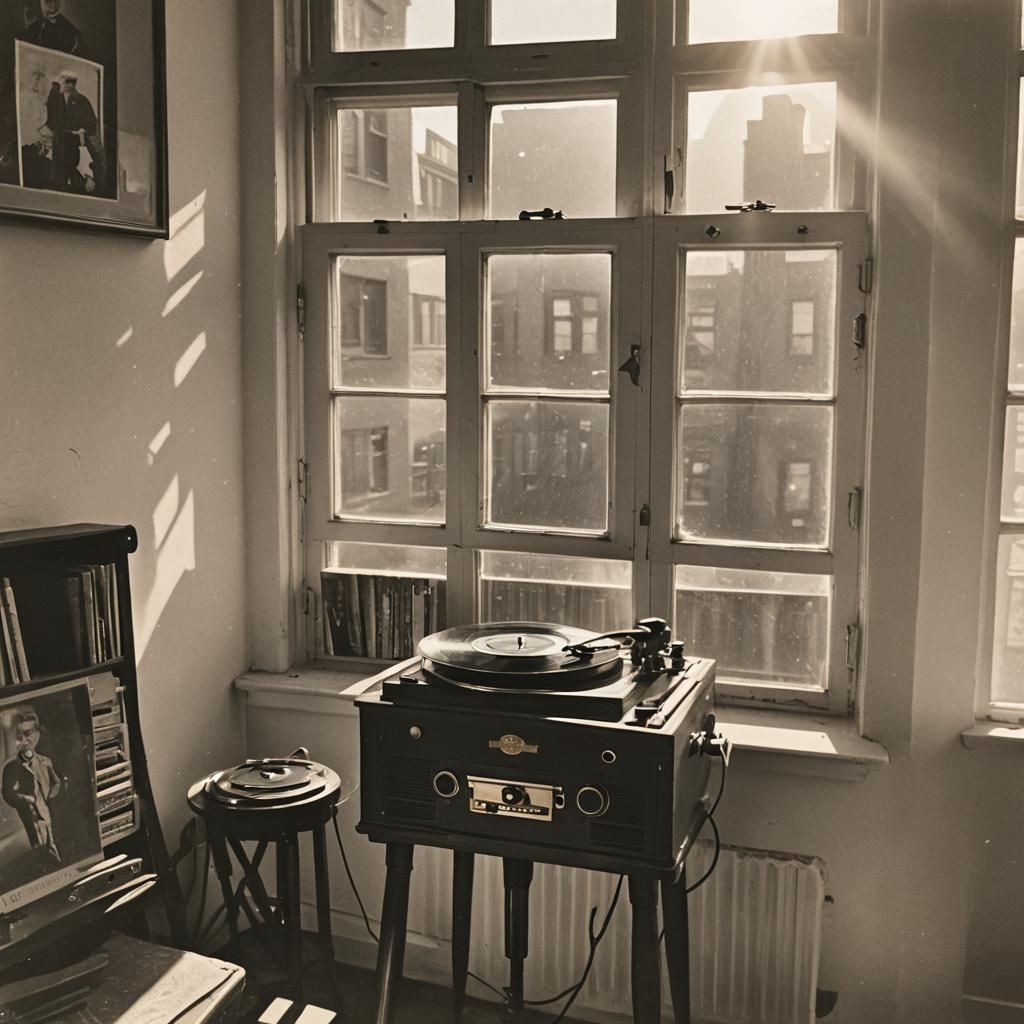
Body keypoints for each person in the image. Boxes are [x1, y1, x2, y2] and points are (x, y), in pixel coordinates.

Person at [1, 709, 61, 862]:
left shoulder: (45, 761)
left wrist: (49, 798)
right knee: (39, 846)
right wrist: (26, 799)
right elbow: (7, 793)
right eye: (19, 736)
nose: (24, 740)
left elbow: (56, 782)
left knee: (54, 844)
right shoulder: (11, 767)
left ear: (37, 735)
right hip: (30, 814)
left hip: (49, 812)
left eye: (28, 733)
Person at [50, 70, 100, 193]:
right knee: (57, 175)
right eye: (64, 82)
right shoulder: (56, 99)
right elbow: (50, 118)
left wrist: (82, 130)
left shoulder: (82, 101)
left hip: (74, 142)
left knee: (74, 173)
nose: (66, 85)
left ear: (73, 84)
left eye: (70, 82)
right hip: (58, 142)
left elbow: (91, 124)